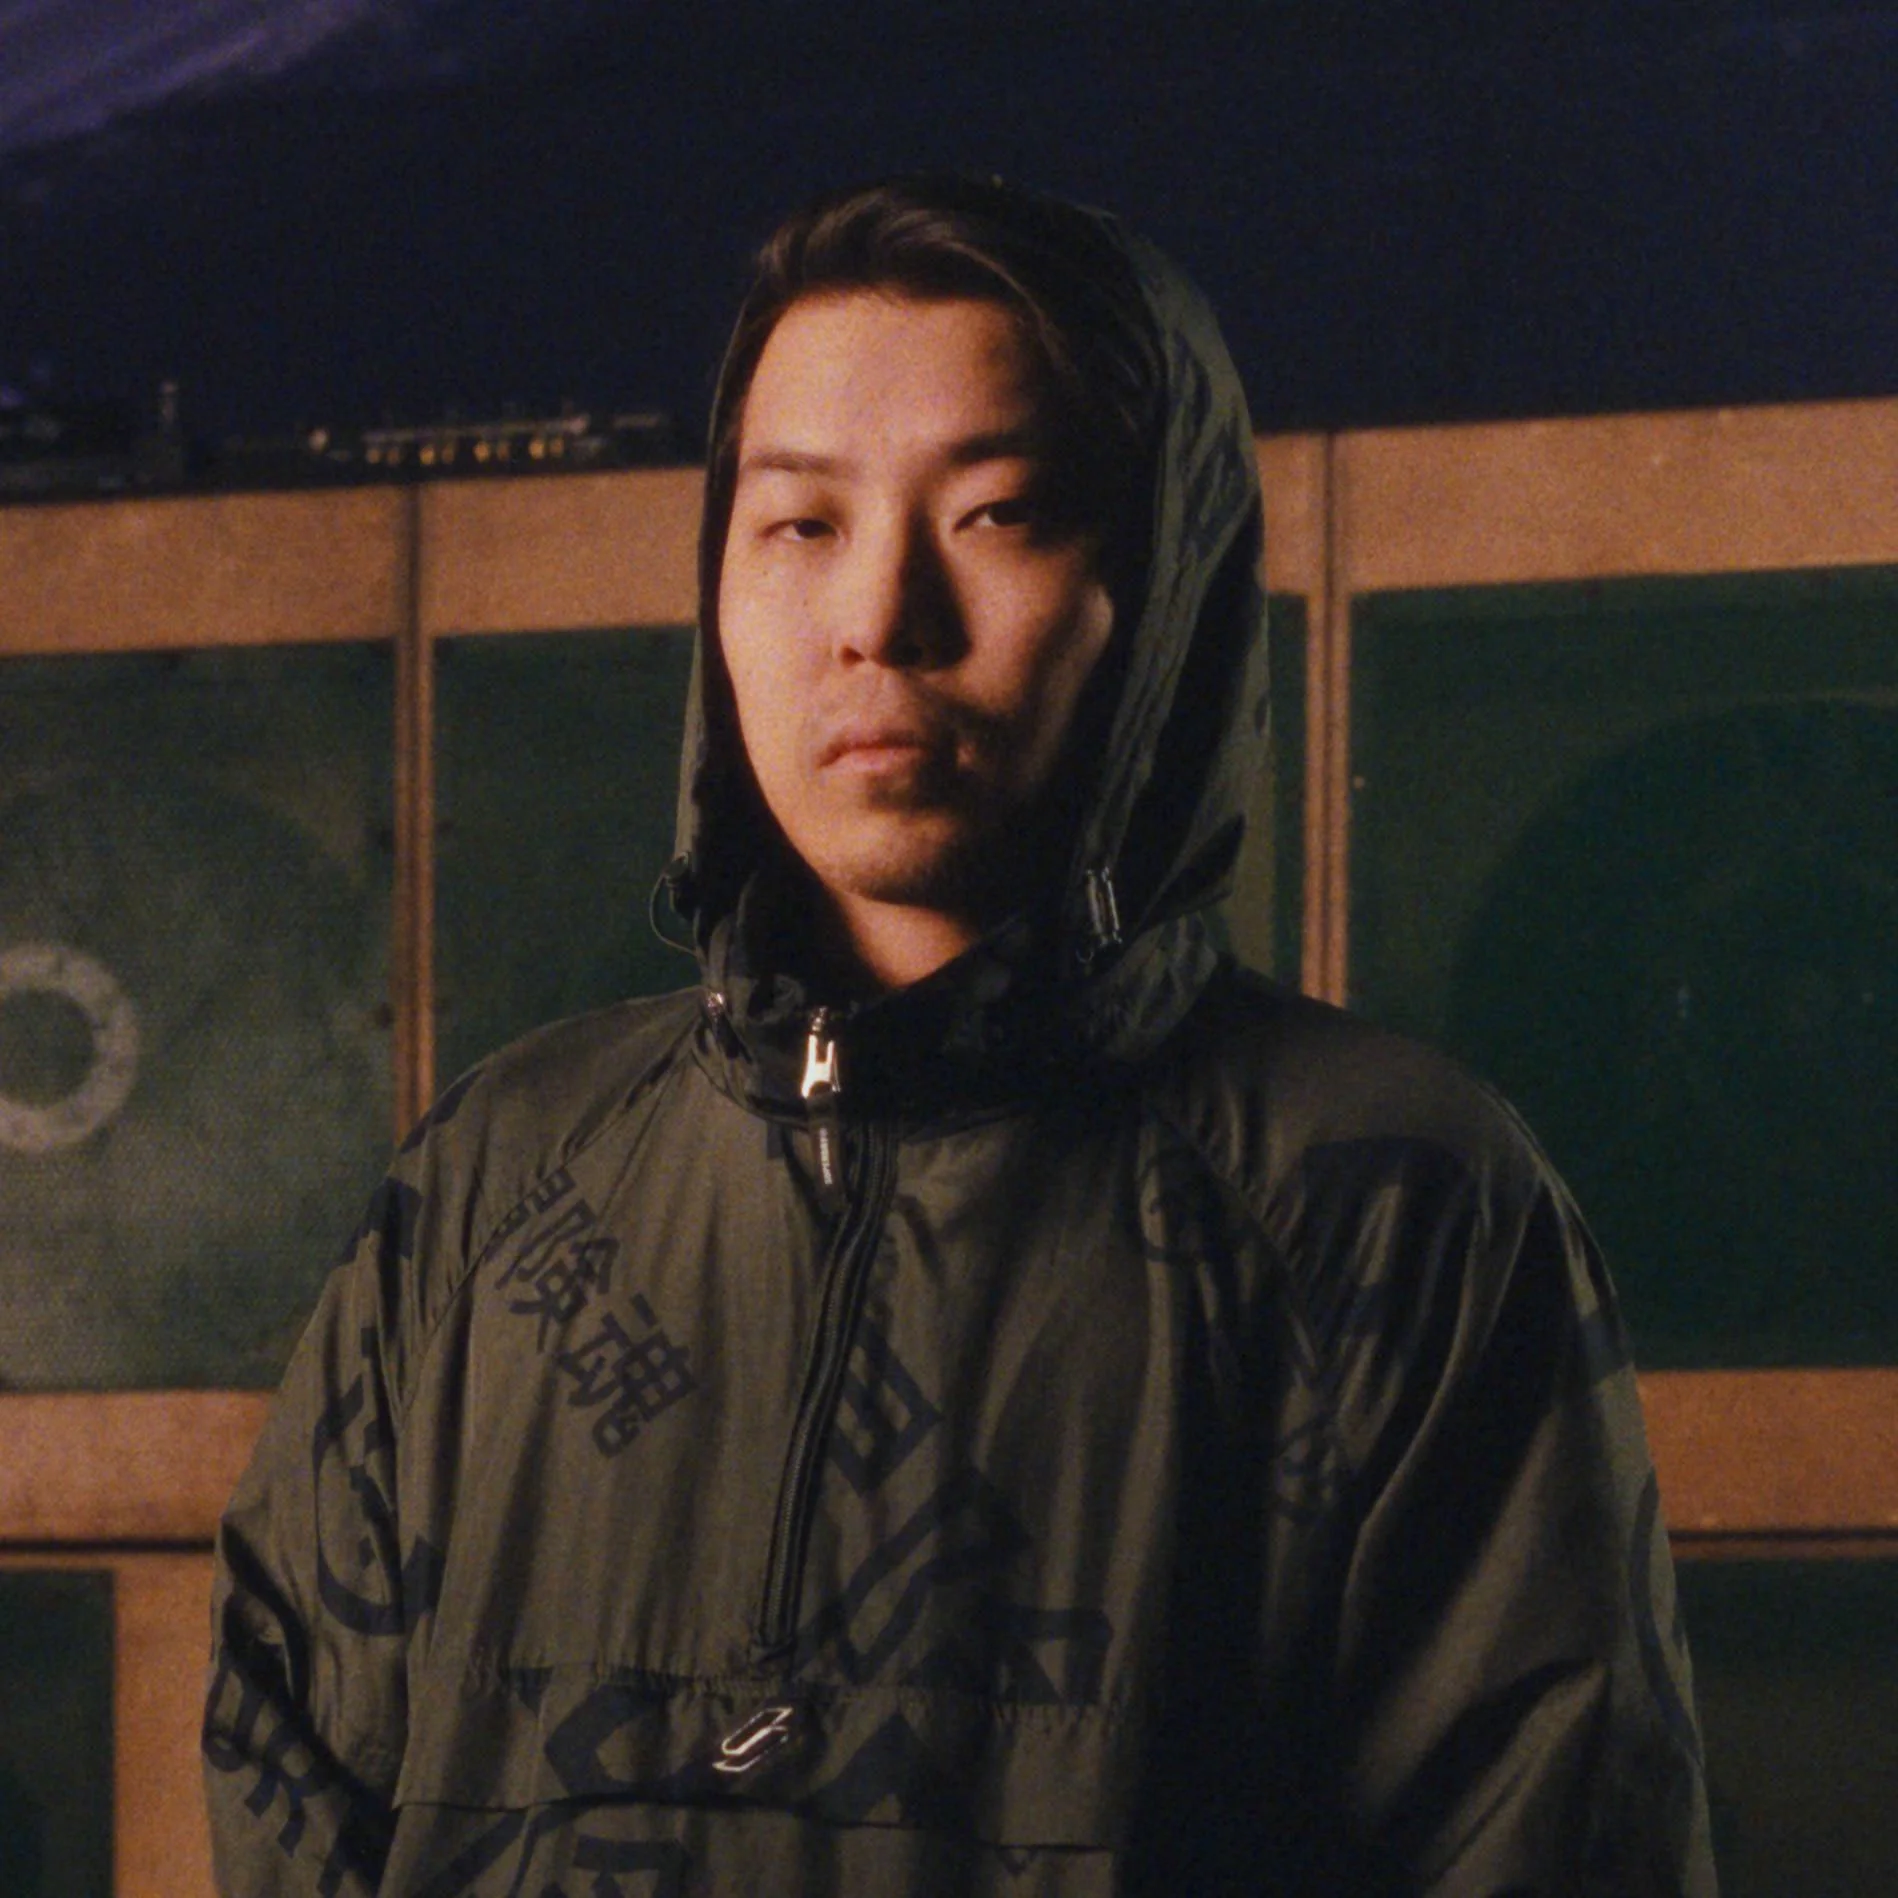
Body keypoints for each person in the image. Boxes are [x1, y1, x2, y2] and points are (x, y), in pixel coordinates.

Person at [204, 176, 1717, 1895]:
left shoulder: (1388, 1200)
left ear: (1156, 589)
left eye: (995, 514)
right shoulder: (498, 1184)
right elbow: (290, 1790)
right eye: (798, 525)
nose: (878, 617)